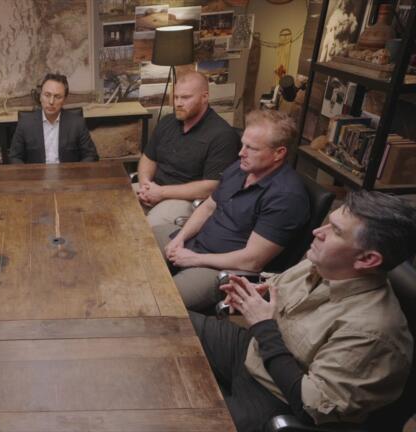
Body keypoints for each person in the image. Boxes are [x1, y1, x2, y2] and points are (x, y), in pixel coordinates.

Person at [192, 191, 416, 431]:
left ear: (367, 259)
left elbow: (310, 407)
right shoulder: (324, 264)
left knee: (181, 423)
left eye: (336, 231)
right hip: (253, 352)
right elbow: (278, 287)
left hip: (277, 398)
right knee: (171, 327)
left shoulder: (372, 332)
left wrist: (263, 326)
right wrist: (256, 294)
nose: (318, 231)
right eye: (328, 222)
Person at [154, 109, 310, 312]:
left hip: (219, 268)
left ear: (278, 153)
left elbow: (252, 261)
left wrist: (193, 258)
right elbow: (208, 206)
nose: (241, 153)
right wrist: (180, 238)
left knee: (160, 301)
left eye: (251, 148)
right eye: (243, 144)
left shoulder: (286, 197)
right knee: (136, 245)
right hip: (196, 243)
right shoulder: (241, 168)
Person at [135, 71, 240, 227]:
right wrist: (145, 184)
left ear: (204, 97)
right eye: (176, 97)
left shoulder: (222, 135)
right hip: (153, 187)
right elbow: (148, 158)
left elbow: (211, 186)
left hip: (184, 199)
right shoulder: (167, 122)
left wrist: (161, 193)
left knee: (146, 230)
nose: (178, 103)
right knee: (114, 209)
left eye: (185, 97)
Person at [9, 73, 99, 164]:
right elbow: (14, 157)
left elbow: (91, 155)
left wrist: (76, 171)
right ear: (40, 96)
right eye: (47, 95)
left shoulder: (77, 123)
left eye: (57, 97)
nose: (51, 102)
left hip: (67, 172)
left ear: (64, 100)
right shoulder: (25, 123)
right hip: (36, 173)